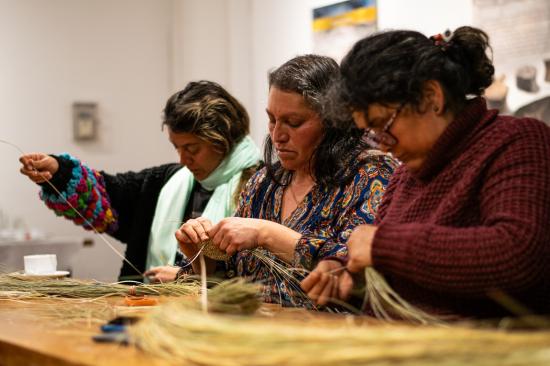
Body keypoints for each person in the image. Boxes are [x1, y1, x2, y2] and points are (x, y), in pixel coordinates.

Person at [303, 26, 550, 318]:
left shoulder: (518, 142)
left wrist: (382, 245)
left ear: (431, 96)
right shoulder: (405, 174)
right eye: (372, 133)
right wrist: (347, 271)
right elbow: (400, 268)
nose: (382, 146)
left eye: (384, 125)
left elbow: (519, 252)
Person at [176, 55, 396, 307]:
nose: (278, 135)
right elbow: (232, 281)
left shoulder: (370, 175)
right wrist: (202, 256)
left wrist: (268, 234)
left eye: (294, 122)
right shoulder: (264, 183)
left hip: (329, 340)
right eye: (272, 119)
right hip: (256, 336)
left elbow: (360, 270)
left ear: (334, 121)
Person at [19, 80, 261, 282]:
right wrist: (58, 172)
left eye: (192, 148)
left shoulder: (261, 187)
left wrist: (185, 278)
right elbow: (110, 193)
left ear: (221, 140)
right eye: (177, 147)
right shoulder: (167, 181)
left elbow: (257, 277)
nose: (184, 159)